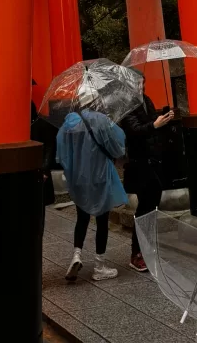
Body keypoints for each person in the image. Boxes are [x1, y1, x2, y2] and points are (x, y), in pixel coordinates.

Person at [56, 107, 127, 282]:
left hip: (79, 178)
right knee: (102, 221)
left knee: (82, 218)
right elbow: (118, 148)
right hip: (100, 176)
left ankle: (77, 254)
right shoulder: (102, 120)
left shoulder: (70, 121)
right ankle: (99, 266)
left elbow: (61, 155)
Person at [121, 83, 175, 272]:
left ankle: (148, 248)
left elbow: (153, 119)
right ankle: (137, 253)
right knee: (144, 208)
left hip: (154, 160)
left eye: (143, 84)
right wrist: (154, 124)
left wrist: (165, 117)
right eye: (137, 84)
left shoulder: (146, 100)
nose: (140, 87)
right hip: (139, 163)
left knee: (152, 206)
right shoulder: (126, 105)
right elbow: (135, 130)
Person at [31, 101, 57, 230]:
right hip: (34, 168)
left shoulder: (42, 123)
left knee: (39, 206)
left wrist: (45, 169)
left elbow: (50, 147)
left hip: (40, 169)